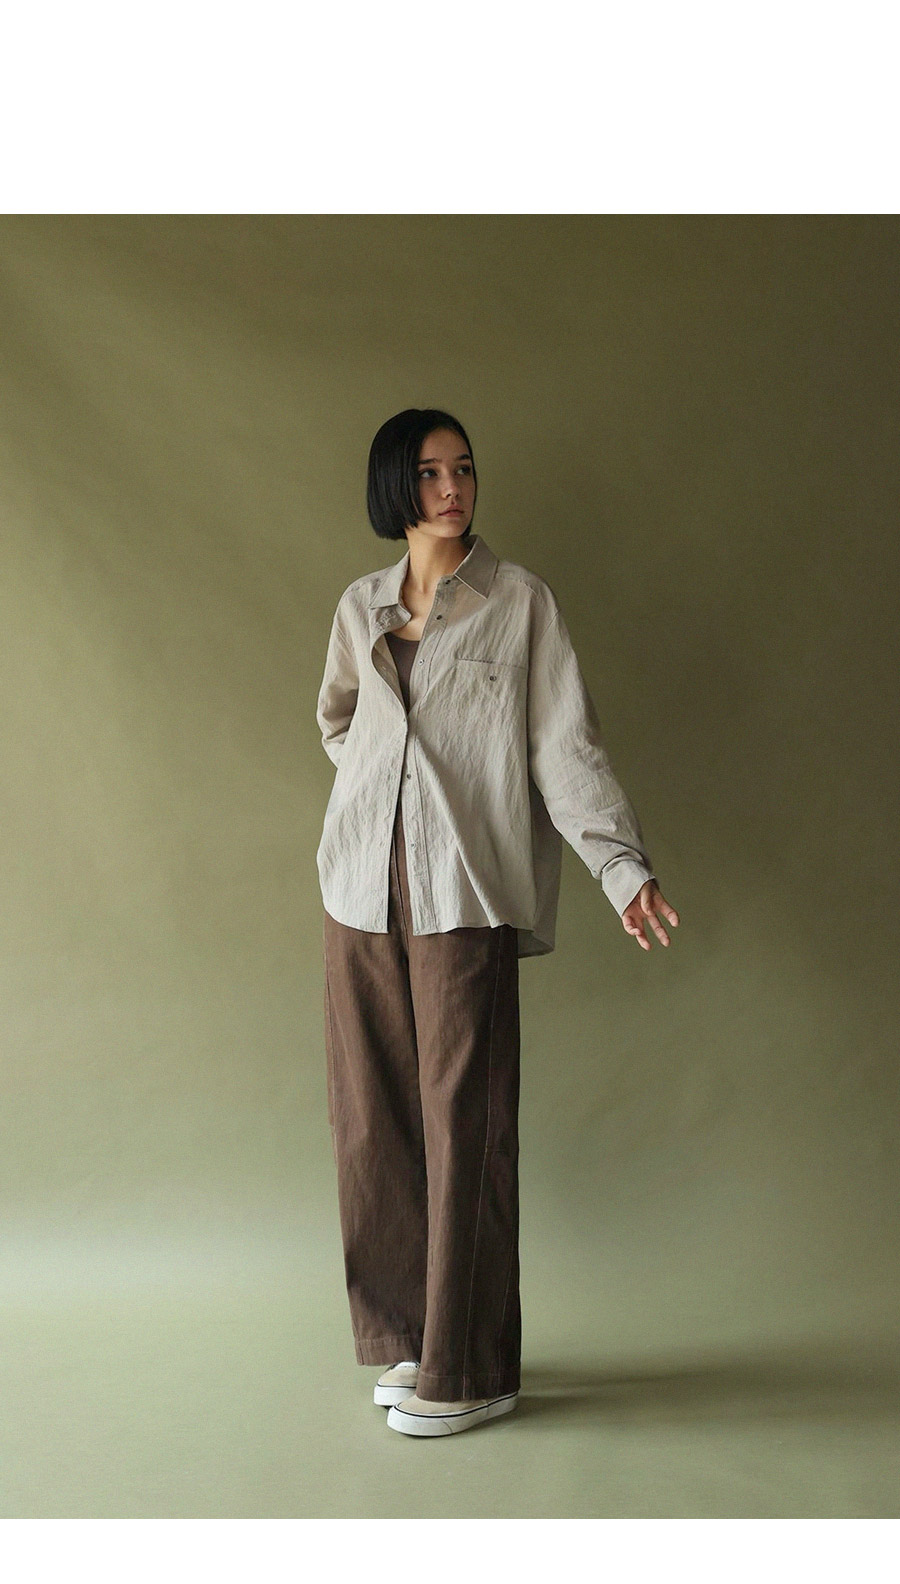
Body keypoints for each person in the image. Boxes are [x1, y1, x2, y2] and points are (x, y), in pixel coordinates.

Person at [316, 407, 679, 1438]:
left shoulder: (520, 603)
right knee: (372, 1122)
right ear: (396, 487)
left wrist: (620, 867)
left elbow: (564, 747)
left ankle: (473, 1366)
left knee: (465, 1123)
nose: (452, 488)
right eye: (431, 473)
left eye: (464, 469)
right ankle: (410, 1335)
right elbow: (338, 719)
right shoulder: (360, 606)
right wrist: (382, 789)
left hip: (463, 889)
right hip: (358, 885)